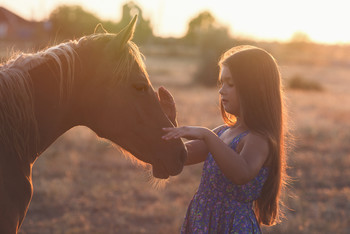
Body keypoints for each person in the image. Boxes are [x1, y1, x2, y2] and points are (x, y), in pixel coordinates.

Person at [160, 45, 288, 233]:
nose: (221, 91)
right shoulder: (223, 133)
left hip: (232, 227)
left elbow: (241, 173)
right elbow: (180, 156)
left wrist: (206, 135)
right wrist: (169, 124)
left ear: (255, 88)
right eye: (221, 83)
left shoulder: (259, 139)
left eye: (230, 84)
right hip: (203, 221)